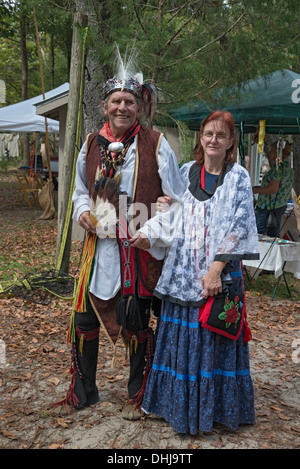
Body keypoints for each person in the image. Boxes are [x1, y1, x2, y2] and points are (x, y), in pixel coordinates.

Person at [51, 49, 185, 420]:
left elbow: (177, 200)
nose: (122, 107)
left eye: (129, 101)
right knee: (83, 320)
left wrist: (153, 229)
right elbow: (79, 190)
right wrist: (81, 213)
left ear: (140, 106)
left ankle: (140, 393)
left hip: (137, 251)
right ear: (105, 106)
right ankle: (84, 392)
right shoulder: (91, 144)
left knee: (137, 321)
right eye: (116, 101)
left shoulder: (156, 144)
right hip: (98, 250)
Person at [140, 111, 260, 434]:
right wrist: (165, 206)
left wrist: (216, 270)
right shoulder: (184, 172)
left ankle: (214, 412)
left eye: (221, 135)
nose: (213, 140)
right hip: (182, 277)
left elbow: (240, 225)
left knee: (212, 341)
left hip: (217, 278)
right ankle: (175, 406)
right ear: (201, 138)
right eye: (208, 133)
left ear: (231, 142)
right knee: (181, 341)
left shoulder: (238, 178)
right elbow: (175, 214)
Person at [252, 140, 293, 237]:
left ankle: (260, 252)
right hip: (278, 206)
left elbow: (272, 189)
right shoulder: (286, 166)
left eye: (271, 151)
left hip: (269, 208)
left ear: (277, 152)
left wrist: (255, 190)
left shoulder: (278, 168)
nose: (269, 154)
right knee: (272, 235)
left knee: (259, 235)